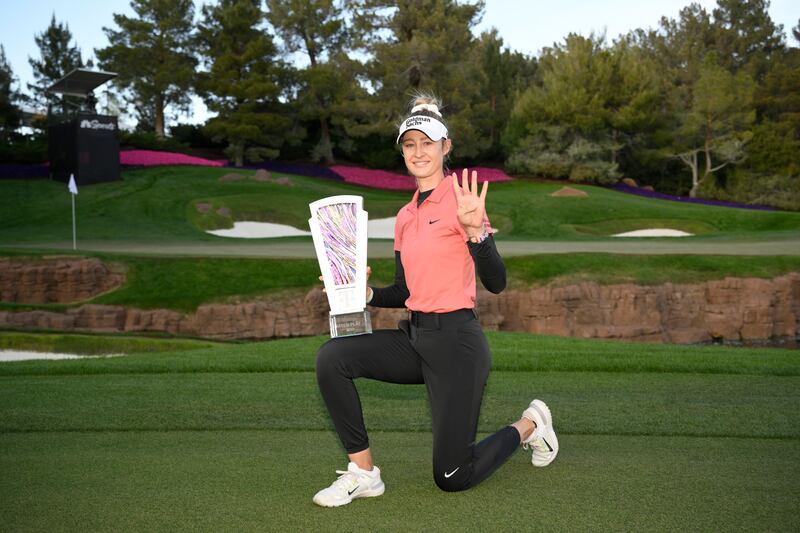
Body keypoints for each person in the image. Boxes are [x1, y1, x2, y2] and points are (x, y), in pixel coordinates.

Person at [312, 94, 558, 508]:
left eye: (428, 143)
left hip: (457, 345)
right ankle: (364, 473)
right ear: (402, 152)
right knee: (331, 358)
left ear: (446, 147)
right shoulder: (405, 216)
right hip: (416, 338)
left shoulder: (462, 202)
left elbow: (497, 282)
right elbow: (404, 291)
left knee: (452, 476)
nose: (418, 152)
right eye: (410, 144)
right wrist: (362, 293)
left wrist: (477, 232)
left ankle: (531, 425)